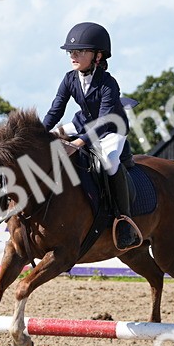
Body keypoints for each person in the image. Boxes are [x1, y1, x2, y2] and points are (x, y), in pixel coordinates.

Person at [42, 21, 141, 251]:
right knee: (50, 140)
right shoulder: (70, 78)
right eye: (71, 51)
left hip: (111, 128)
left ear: (97, 56)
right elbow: (55, 110)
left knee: (109, 161)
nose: (73, 55)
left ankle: (124, 220)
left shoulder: (108, 83)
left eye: (80, 51)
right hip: (83, 123)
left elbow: (104, 121)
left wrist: (76, 143)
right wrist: (38, 133)